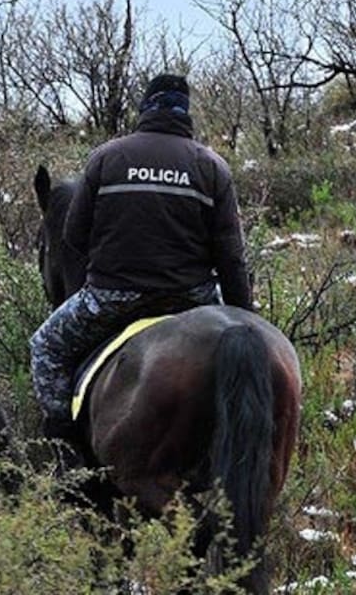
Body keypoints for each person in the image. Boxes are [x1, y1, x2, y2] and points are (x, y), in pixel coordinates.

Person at [29, 73, 252, 457]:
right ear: (186, 112)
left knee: (45, 347)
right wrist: (244, 316)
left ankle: (65, 449)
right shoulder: (212, 167)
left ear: (145, 107)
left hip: (113, 296)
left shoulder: (107, 157)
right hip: (192, 299)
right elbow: (231, 256)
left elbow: (74, 238)